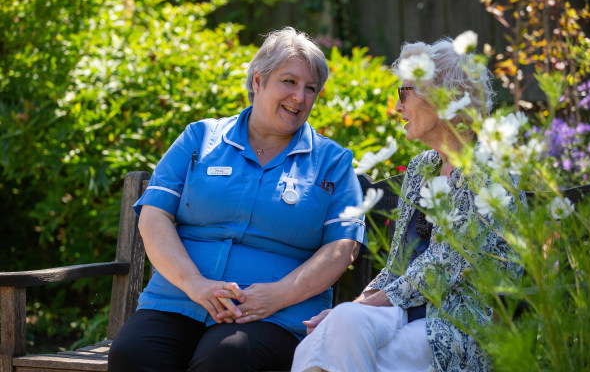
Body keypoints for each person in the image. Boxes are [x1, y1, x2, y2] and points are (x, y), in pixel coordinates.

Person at [107, 27, 366, 372]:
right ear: (258, 81)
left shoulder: (331, 161)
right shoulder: (200, 138)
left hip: (273, 315)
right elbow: (153, 216)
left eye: (311, 89)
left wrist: (278, 295)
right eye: (288, 81)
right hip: (179, 300)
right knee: (133, 354)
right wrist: (196, 285)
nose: (300, 97)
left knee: (226, 357)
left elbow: (343, 246)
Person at [291, 38, 524, 372]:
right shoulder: (422, 167)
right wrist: (357, 307)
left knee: (342, 348)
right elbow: (399, 263)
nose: (396, 107)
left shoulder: (490, 175)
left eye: (404, 93)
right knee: (329, 332)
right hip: (402, 310)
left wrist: (364, 306)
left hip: (455, 325)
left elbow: (442, 269)